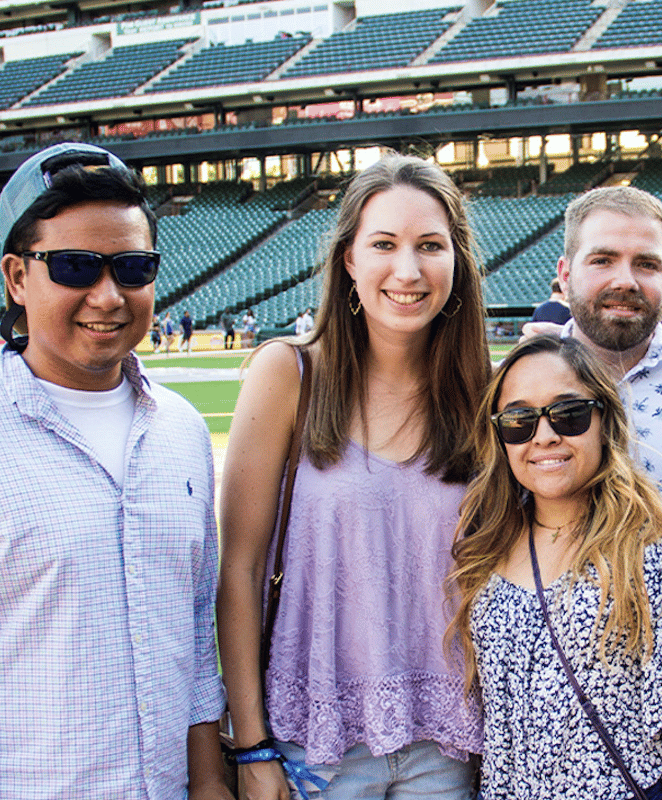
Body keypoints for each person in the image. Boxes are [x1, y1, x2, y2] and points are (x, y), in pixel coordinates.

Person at [0, 142, 228, 799]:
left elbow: (195, 644)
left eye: (133, 267)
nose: (109, 294)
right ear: (16, 277)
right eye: (74, 267)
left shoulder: (182, 432)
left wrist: (208, 784)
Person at [217, 154, 490, 800]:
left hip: (445, 746)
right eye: (384, 245)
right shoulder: (288, 376)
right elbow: (240, 572)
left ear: (456, 260)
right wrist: (250, 744)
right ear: (348, 260)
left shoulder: (482, 395)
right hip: (315, 743)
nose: (408, 270)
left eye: (430, 246)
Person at [447, 335, 662, 800]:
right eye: (518, 421)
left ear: (604, 419)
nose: (544, 436)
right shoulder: (489, 545)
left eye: (568, 414)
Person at [528, 185, 662, 536]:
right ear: (565, 275)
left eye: (646, 264)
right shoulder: (515, 385)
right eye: (602, 260)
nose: (625, 281)